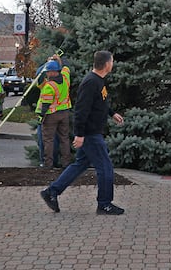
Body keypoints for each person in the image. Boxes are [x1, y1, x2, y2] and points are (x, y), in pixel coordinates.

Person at [40, 50, 125, 215]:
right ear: (107, 64)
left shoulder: (99, 81)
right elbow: (81, 110)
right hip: (91, 134)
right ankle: (104, 204)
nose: (113, 64)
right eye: (112, 61)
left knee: (80, 164)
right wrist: (79, 135)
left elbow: (101, 103)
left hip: (92, 132)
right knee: (105, 167)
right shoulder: (90, 82)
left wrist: (112, 113)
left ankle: (52, 192)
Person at [35, 60, 73, 168]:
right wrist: (58, 60)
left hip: (51, 115)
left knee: (48, 140)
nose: (46, 73)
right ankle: (66, 163)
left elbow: (46, 104)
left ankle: (48, 164)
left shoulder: (49, 86)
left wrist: (41, 116)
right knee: (64, 139)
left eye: (48, 71)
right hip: (64, 113)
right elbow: (66, 68)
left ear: (52, 72)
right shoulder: (65, 78)